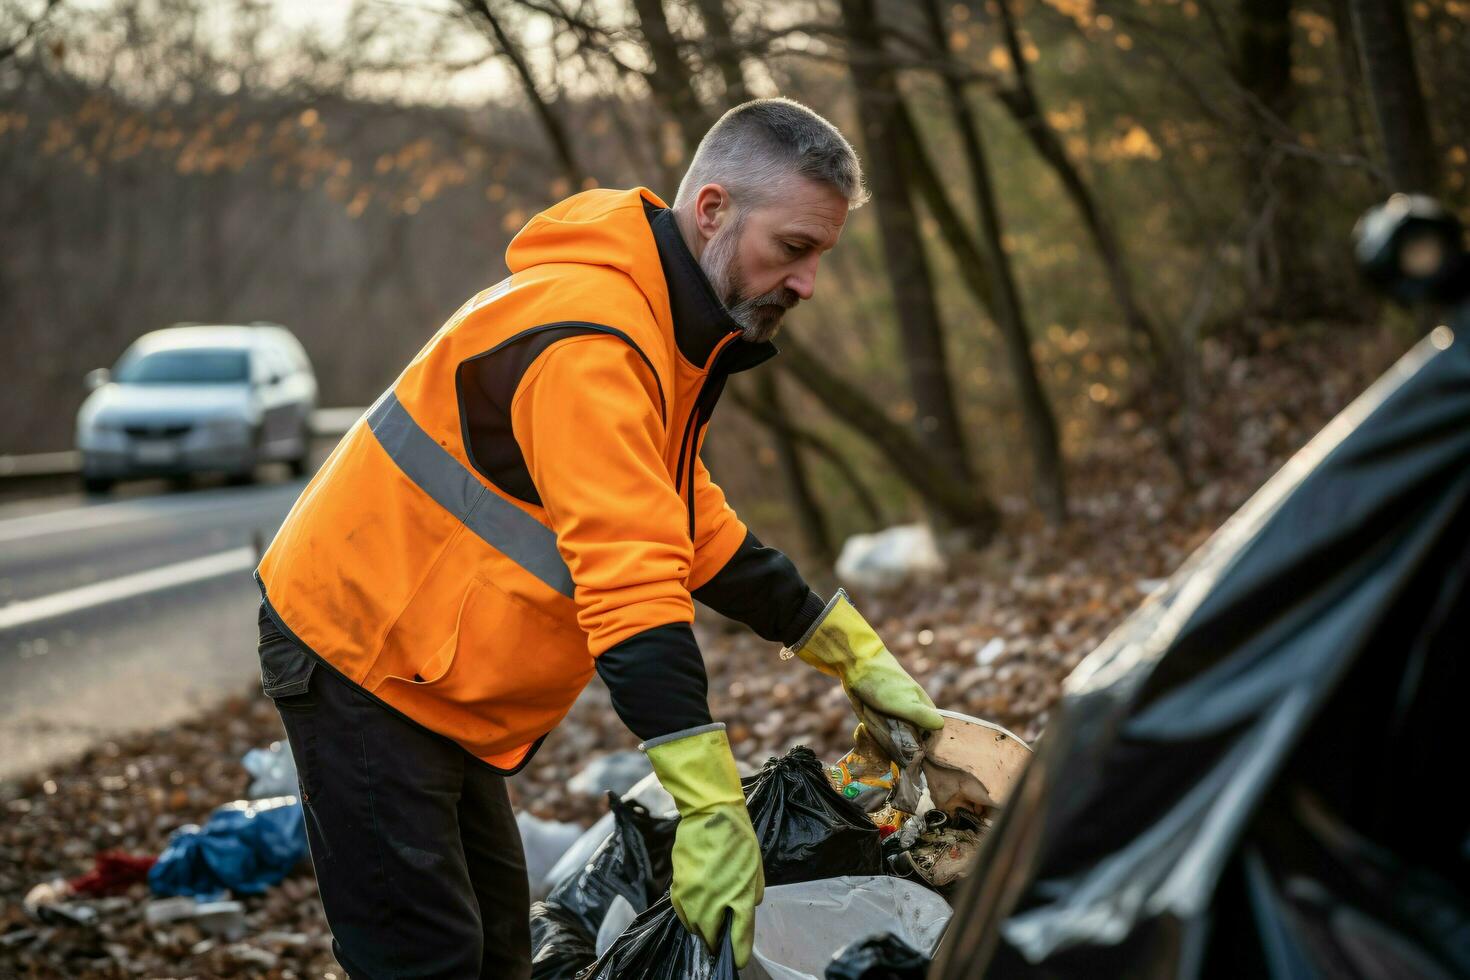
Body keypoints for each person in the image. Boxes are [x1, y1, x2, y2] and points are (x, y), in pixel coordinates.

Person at [254, 97, 942, 979]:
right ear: (713, 210)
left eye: (821, 256)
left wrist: (844, 648)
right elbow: (631, 584)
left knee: (500, 953)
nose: (807, 283)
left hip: (431, 669)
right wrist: (708, 808)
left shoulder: (663, 325)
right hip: (359, 651)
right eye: (795, 248)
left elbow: (684, 521)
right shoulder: (595, 338)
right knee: (425, 960)